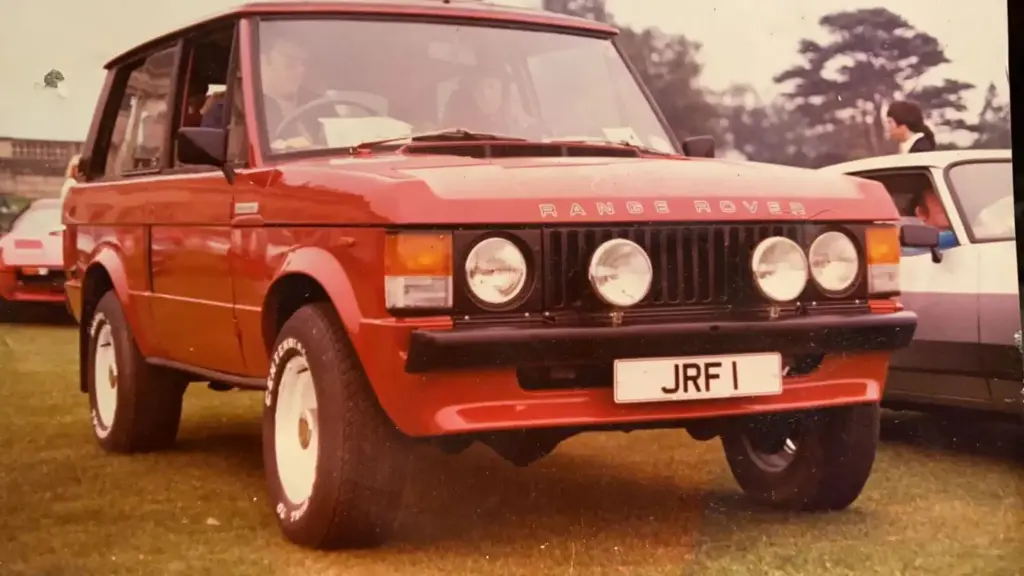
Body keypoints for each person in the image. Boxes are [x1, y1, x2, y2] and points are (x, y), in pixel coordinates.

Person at [259, 34, 320, 150]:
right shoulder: (238, 108)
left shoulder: (320, 105)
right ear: (263, 62)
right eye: (291, 63)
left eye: (303, 63)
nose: (301, 69)